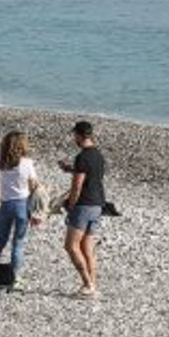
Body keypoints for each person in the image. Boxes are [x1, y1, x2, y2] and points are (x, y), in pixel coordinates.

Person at [58, 120, 107, 298]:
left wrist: (70, 204)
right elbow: (90, 175)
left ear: (79, 135)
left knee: (71, 246)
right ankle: (93, 284)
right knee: (87, 247)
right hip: (98, 204)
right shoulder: (98, 155)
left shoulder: (82, 157)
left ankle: (87, 284)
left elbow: (77, 185)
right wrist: (71, 169)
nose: (74, 139)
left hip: (84, 204)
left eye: (75, 136)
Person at [0, 131, 40, 291]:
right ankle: (15, 276)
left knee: (1, 239)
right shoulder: (27, 163)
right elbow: (34, 186)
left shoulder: (2, 164)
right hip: (22, 204)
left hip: (6, 204)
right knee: (18, 242)